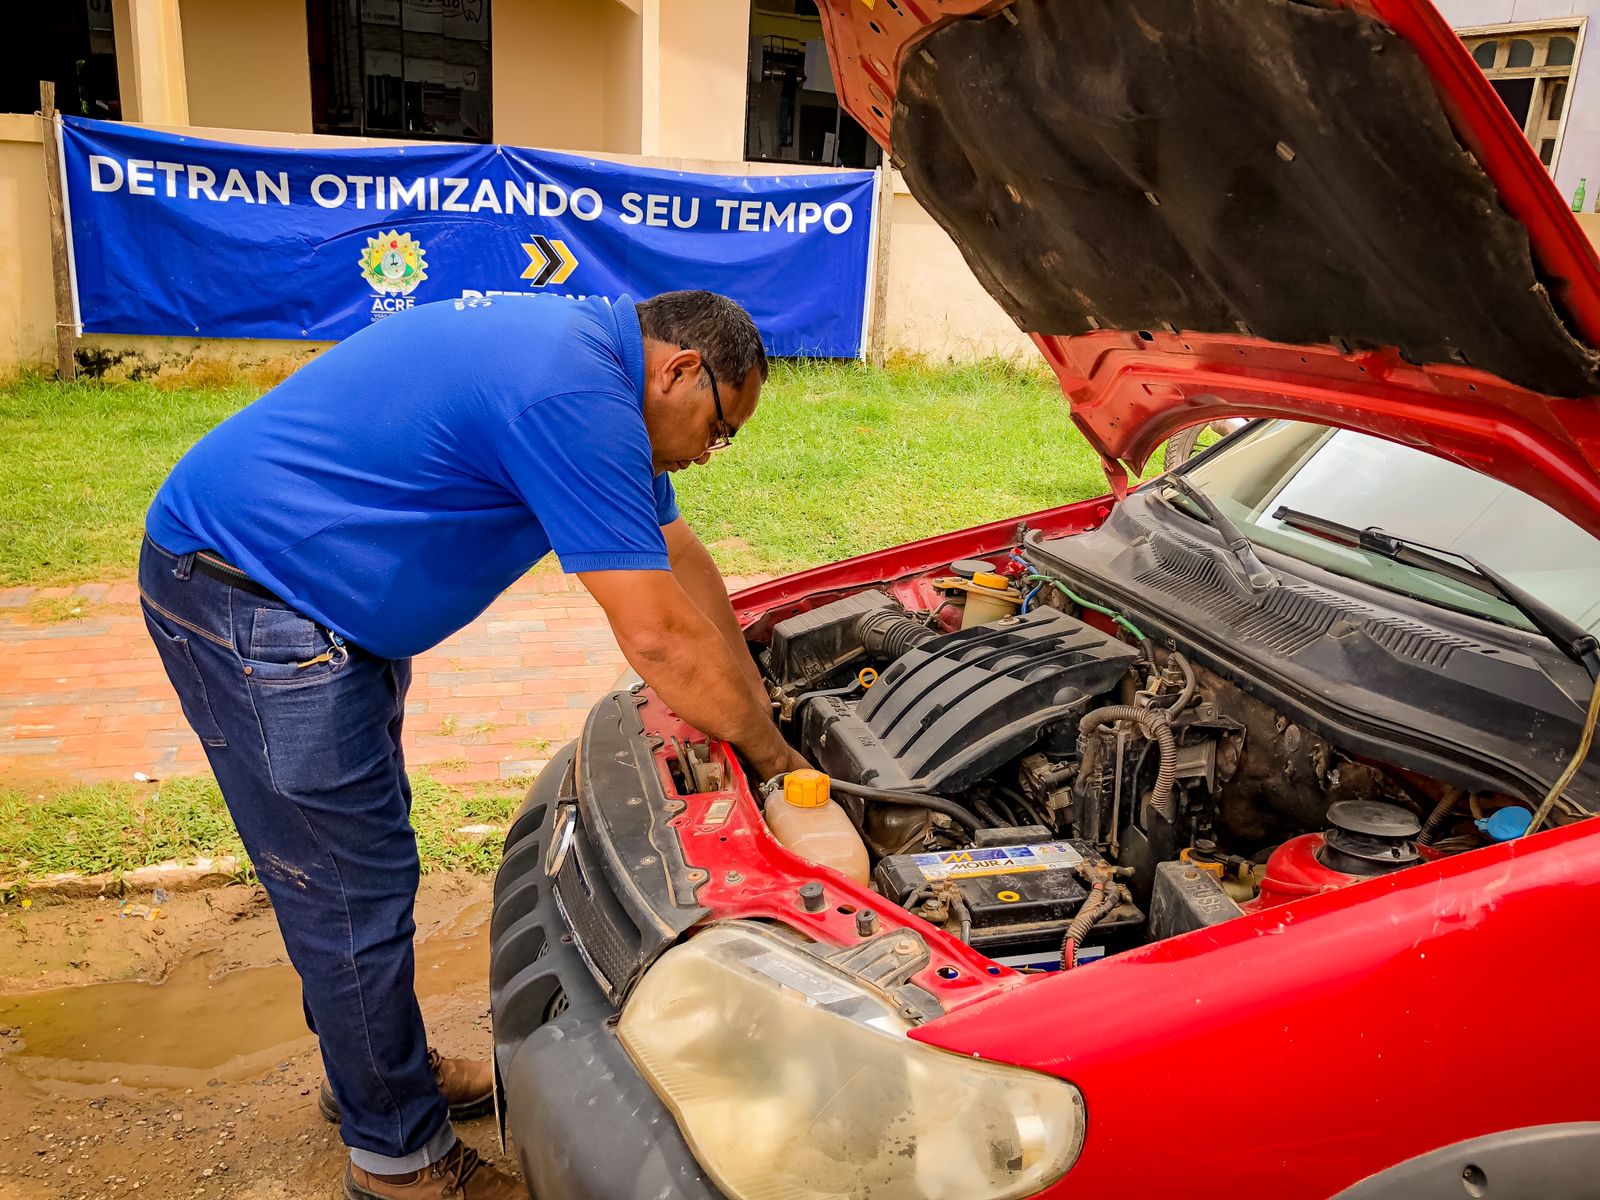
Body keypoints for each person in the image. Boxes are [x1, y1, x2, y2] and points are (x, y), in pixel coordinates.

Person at [138, 290, 808, 1199]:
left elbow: (683, 563)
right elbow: (655, 637)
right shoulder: (572, 398)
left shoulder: (598, 369)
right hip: (256, 599)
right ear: (681, 371)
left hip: (310, 600)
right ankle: (400, 1162)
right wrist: (776, 762)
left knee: (365, 865)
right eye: (721, 429)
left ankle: (379, 1078)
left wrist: (757, 688)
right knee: (349, 890)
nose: (708, 453)